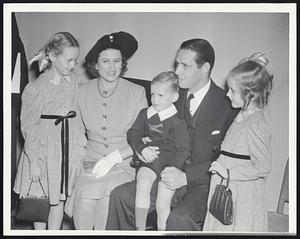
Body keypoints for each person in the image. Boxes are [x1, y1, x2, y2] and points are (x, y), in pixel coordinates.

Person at [106, 38, 239, 231]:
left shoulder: (227, 105)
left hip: (201, 184)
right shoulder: (168, 95)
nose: (177, 71)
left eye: (185, 66)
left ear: (205, 68)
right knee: (121, 196)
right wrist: (142, 149)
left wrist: (186, 177)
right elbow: (145, 134)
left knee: (180, 218)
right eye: (177, 64)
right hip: (163, 172)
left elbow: (228, 161)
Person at [64, 31, 148, 230]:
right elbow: (74, 133)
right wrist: (77, 162)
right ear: (95, 64)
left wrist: (115, 158)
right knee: (84, 196)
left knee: (108, 194)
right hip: (90, 160)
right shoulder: (81, 91)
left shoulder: (137, 92)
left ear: (123, 63)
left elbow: (145, 136)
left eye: (117, 61)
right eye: (106, 61)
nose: (112, 67)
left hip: (123, 162)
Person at [13, 32, 86, 230]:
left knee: (59, 200)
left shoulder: (74, 80)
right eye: (69, 60)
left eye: (75, 60)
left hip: (66, 148)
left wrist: (81, 145)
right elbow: (28, 127)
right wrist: (34, 161)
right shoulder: (37, 87)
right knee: (42, 200)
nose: (73, 65)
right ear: (53, 57)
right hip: (44, 151)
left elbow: (76, 113)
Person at [203, 53, 273, 232]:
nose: (227, 94)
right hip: (226, 186)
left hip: (241, 193)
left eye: (233, 91)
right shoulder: (242, 114)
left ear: (250, 94)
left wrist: (227, 172)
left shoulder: (256, 123)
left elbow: (263, 166)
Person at [128, 71, 190, 230]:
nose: (154, 99)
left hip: (169, 165)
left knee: (163, 204)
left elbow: (183, 150)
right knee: (142, 184)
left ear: (174, 97)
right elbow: (133, 133)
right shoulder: (145, 114)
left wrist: (173, 168)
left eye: (160, 95)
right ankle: (140, 229)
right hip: (149, 161)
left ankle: (162, 231)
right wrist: (142, 149)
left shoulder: (178, 121)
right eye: (152, 94)